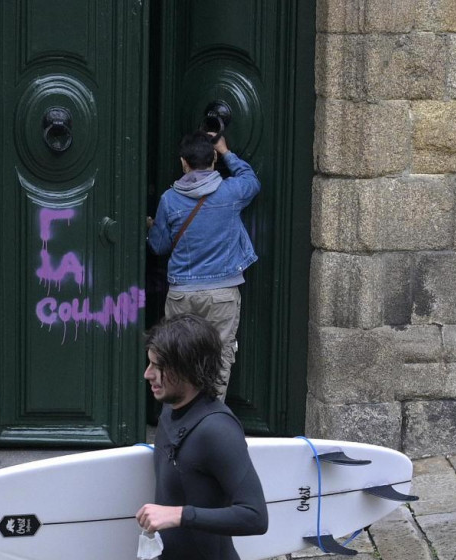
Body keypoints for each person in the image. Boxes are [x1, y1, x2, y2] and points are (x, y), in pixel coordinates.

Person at [135, 314, 268, 560]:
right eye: (149, 363)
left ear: (185, 367)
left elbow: (255, 516)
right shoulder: (169, 411)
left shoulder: (217, 429)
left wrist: (179, 515)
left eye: (157, 366)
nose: (147, 374)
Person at [146, 132, 261, 400]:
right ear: (213, 159)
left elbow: (159, 246)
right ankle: (211, 416)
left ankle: (179, 416)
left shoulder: (169, 200)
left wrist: (152, 227)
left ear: (184, 163)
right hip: (222, 294)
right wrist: (227, 151)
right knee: (219, 355)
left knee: (177, 355)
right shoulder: (231, 191)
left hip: (182, 293)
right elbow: (252, 181)